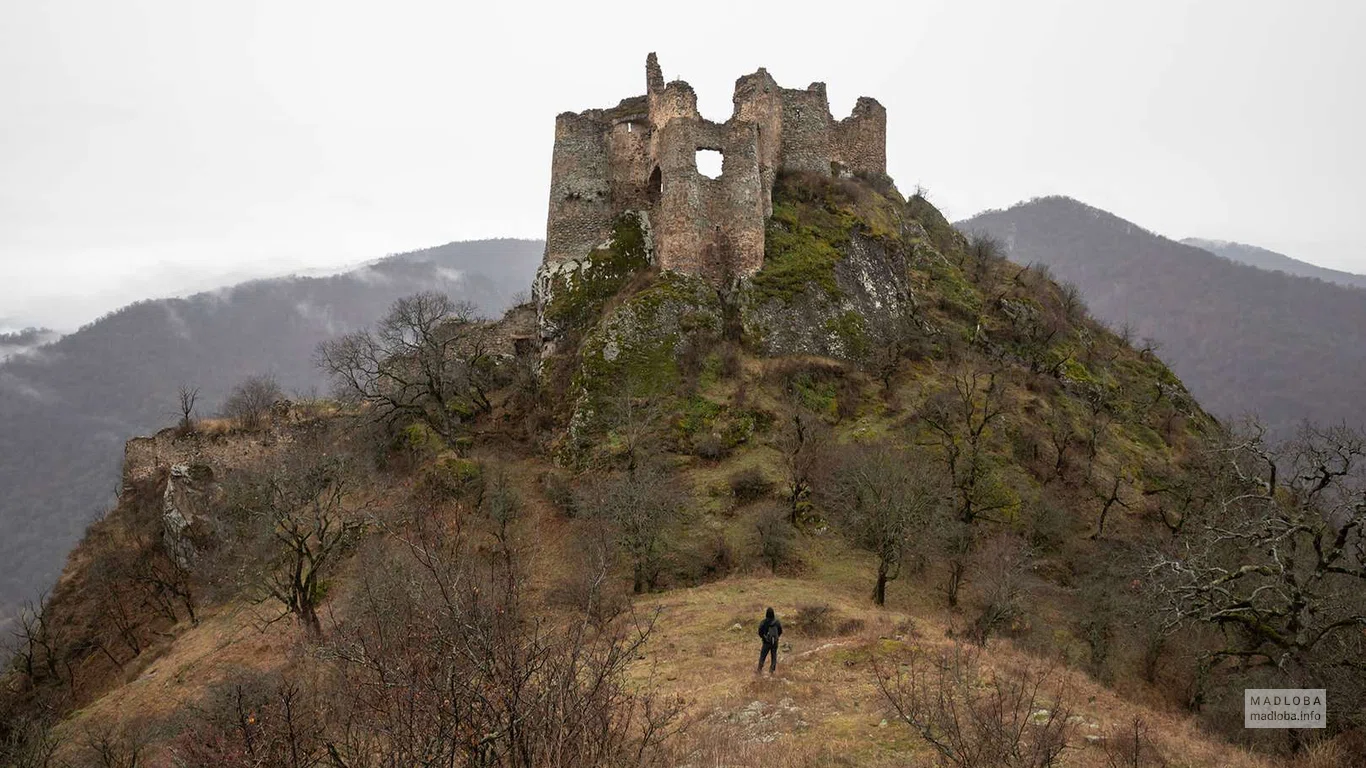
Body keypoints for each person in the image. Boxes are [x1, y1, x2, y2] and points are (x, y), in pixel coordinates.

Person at [757, 607, 783, 673]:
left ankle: (759, 669)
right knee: (774, 656)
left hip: (766, 642)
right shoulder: (777, 622)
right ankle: (772, 670)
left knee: (763, 656)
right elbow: (780, 631)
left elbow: (760, 631)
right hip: (775, 642)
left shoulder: (763, 622)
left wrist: (764, 638)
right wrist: (776, 637)